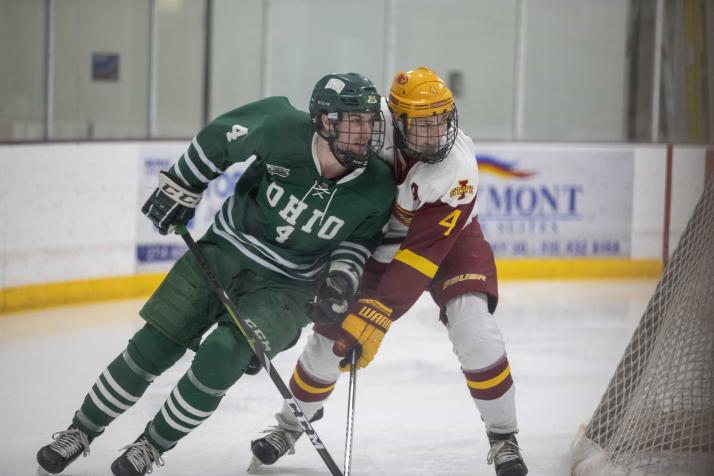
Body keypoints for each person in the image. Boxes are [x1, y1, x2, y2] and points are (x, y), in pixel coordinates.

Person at [35, 72, 396, 476]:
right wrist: (182, 185)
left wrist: (342, 279)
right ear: (326, 120)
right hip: (225, 250)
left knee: (222, 357)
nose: (367, 132)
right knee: (153, 346)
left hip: (288, 286)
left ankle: (151, 446)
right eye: (356, 120)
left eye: (369, 121)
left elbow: (358, 242)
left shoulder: (379, 186)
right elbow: (220, 137)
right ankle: (80, 431)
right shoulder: (279, 127)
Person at [249, 67, 528, 476]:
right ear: (394, 119)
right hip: (372, 237)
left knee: (475, 329)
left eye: (440, 122)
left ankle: (504, 437)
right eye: (421, 125)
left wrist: (380, 312)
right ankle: (291, 425)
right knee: (331, 336)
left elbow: (419, 258)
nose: (435, 136)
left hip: (447, 240)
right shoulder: (364, 122)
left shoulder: (457, 169)